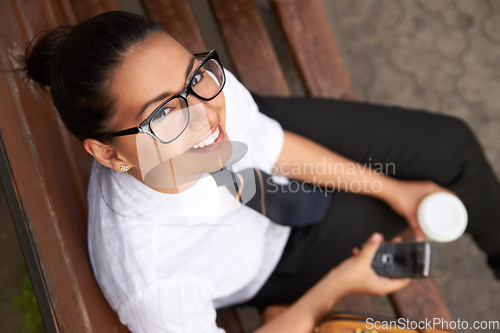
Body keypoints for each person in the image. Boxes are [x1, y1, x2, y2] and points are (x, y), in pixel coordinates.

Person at [22, 10, 499, 333]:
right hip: (279, 260)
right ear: (108, 154)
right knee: (416, 241)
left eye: (194, 77)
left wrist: (394, 189)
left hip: (260, 155)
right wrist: (337, 287)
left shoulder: (207, 98)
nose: (206, 113)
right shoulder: (151, 280)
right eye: (164, 112)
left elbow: (271, 145)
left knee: (447, 147)